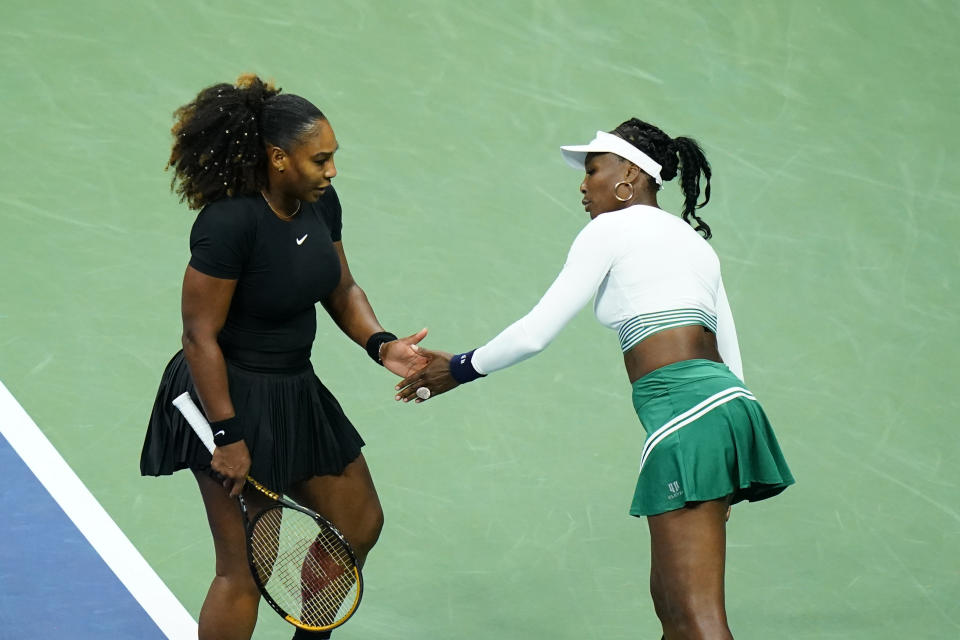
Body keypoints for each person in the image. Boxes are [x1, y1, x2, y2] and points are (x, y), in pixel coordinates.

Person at [395, 119, 794, 639]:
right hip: (728, 410)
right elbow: (729, 353)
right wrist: (724, 462)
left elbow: (537, 331)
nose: (583, 186)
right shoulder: (695, 244)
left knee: (695, 616)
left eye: (593, 170)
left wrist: (461, 367)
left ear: (629, 173)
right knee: (671, 606)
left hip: (686, 418)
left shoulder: (610, 229)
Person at [140, 74, 428, 640]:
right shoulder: (229, 224)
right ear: (278, 159)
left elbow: (341, 287)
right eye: (320, 160)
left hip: (296, 390)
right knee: (245, 570)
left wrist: (382, 343)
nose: (332, 171)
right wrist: (227, 437)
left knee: (357, 522)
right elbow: (199, 337)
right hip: (226, 398)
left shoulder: (321, 205)